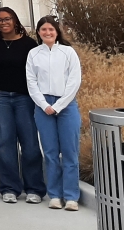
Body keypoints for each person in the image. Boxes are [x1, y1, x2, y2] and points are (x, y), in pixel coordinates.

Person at [0, 7, 44, 205]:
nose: (3, 23)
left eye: (7, 19)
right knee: (4, 144)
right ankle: (9, 188)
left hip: (25, 98)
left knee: (29, 144)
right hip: (2, 97)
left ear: (15, 20)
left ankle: (34, 188)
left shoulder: (29, 44)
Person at [26, 16, 82, 211]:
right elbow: (31, 82)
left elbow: (74, 81)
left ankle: (71, 196)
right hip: (43, 106)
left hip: (66, 105)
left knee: (69, 152)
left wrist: (58, 105)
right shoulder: (33, 53)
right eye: (43, 29)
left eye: (51, 29)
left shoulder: (68, 52)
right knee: (49, 153)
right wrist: (44, 105)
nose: (47, 33)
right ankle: (55, 195)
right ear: (39, 32)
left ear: (57, 31)